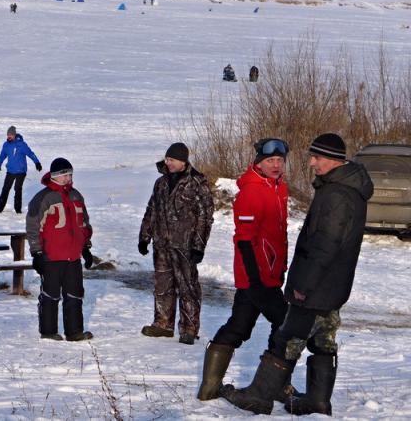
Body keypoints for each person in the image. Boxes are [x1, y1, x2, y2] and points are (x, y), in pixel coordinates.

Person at [221, 133, 374, 416]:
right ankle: (317, 400)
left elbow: (325, 245)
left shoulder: (338, 194)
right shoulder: (346, 187)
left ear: (332, 160)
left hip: (318, 285)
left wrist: (303, 284)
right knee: (323, 340)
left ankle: (259, 396)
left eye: (316, 158)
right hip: (334, 284)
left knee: (287, 337)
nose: (312, 163)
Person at [198, 138, 291, 401]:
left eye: (279, 161)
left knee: (239, 327)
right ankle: (274, 387)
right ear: (258, 163)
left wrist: (279, 267)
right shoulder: (252, 191)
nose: (275, 165)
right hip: (256, 276)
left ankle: (209, 387)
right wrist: (254, 278)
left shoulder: (279, 188)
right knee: (286, 325)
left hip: (269, 274)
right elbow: (244, 240)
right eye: (270, 160)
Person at [138, 143, 214, 345]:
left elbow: (205, 217)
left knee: (187, 287)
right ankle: (162, 325)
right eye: (167, 159)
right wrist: (144, 236)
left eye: (172, 160)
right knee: (162, 285)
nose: (168, 163)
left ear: (183, 161)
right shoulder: (160, 183)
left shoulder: (197, 182)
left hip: (185, 245)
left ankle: (189, 329)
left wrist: (199, 245)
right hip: (161, 244)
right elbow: (151, 210)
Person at [27, 158, 94, 342]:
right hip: (51, 257)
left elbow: (84, 224)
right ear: (56, 176)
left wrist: (86, 248)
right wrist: (37, 253)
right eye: (64, 175)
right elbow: (33, 227)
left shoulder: (76, 196)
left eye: (70, 174)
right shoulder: (43, 198)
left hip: (73, 257)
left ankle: (75, 332)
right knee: (50, 295)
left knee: (74, 294)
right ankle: (48, 331)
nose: (68, 178)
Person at [0, 126, 42, 213]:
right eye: (7, 135)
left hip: (21, 171)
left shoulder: (22, 145)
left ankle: (18, 209)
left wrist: (37, 162)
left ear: (14, 135)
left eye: (10, 135)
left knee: (17, 189)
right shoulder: (6, 145)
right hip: (10, 171)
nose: (8, 136)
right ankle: (0, 208)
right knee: (5, 189)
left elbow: (30, 154)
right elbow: (2, 155)